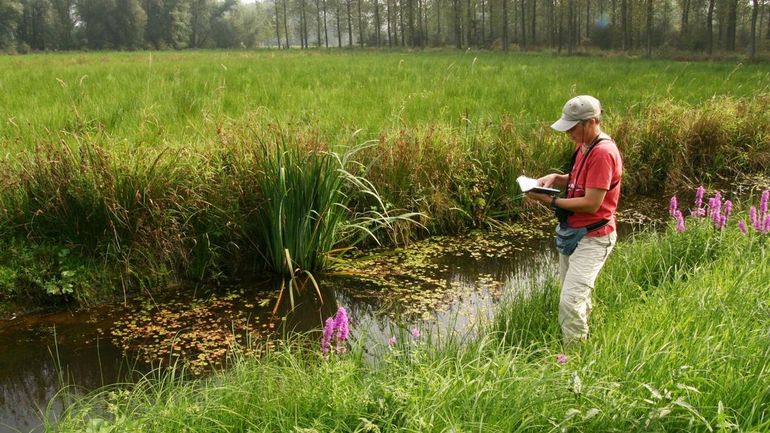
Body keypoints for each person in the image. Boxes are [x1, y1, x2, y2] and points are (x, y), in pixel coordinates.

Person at [526, 95, 623, 346]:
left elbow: (592, 202)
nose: (568, 132)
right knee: (576, 296)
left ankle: (574, 358)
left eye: (572, 126)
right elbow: (582, 178)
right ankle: (583, 338)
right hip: (575, 232)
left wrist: (551, 201)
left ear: (591, 122)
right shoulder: (585, 145)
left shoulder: (602, 152)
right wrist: (556, 179)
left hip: (594, 236)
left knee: (570, 300)